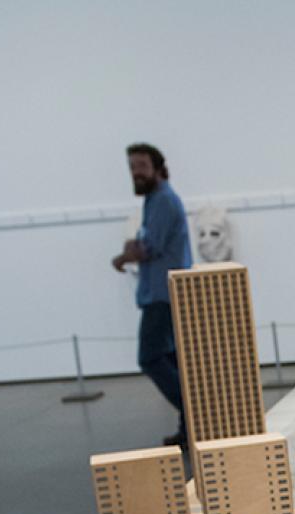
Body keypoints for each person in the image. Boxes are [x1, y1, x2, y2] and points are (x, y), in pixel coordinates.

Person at [111, 144, 193, 446]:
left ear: (158, 167)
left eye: (142, 165)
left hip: (163, 295)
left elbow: (149, 247)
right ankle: (190, 426)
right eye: (132, 167)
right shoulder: (154, 200)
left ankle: (194, 414)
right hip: (161, 293)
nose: (136, 172)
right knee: (172, 360)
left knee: (150, 357)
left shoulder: (163, 201)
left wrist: (124, 256)